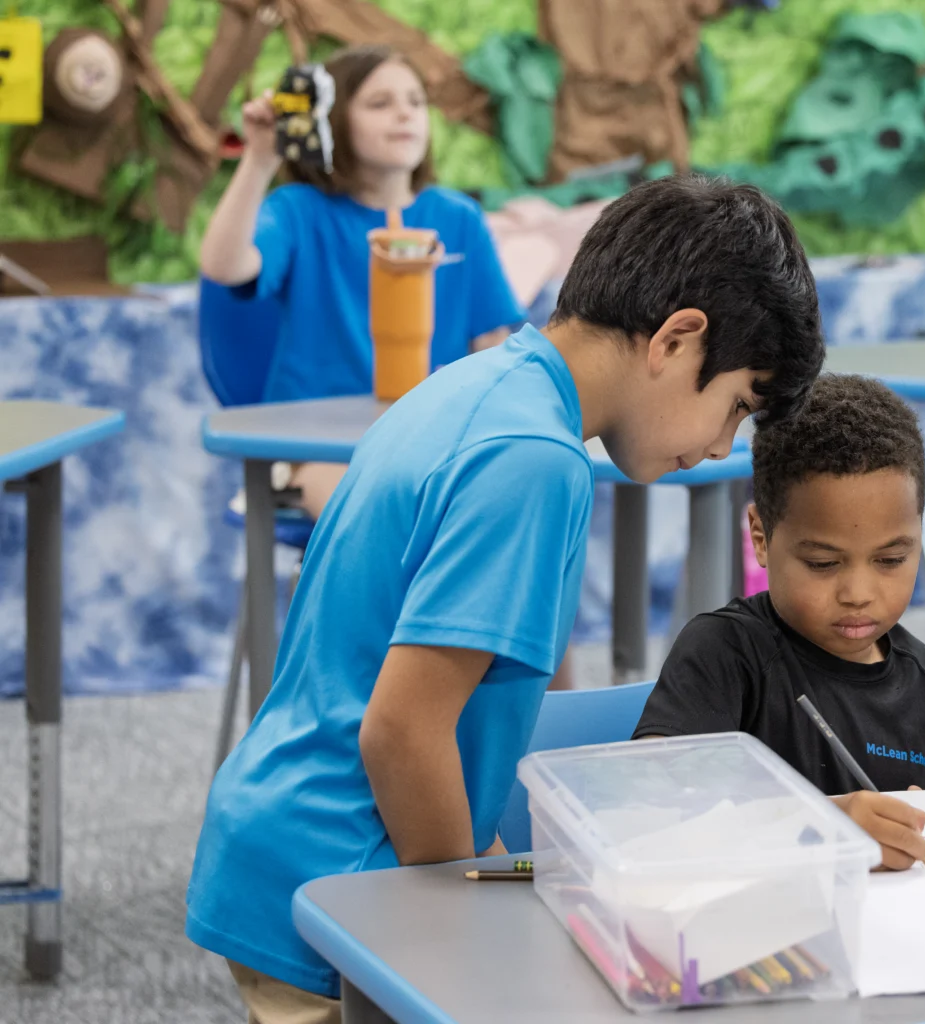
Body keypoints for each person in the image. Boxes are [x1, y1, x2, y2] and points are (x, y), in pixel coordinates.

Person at [185, 174, 825, 1024]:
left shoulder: (482, 384)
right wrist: (474, 929)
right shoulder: (534, 459)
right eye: (736, 406)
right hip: (346, 875)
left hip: (299, 840)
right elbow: (402, 733)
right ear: (676, 338)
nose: (718, 446)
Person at [634, 374, 925, 872]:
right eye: (822, 563)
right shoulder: (724, 654)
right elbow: (649, 811)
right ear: (761, 537)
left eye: (891, 560)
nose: (858, 594)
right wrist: (821, 822)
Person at [199, 45, 523, 520]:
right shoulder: (299, 211)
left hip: (430, 446)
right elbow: (224, 266)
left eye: (415, 101)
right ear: (332, 122)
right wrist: (260, 161)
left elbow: (494, 349)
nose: (404, 114)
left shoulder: (458, 219)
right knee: (381, 522)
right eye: (379, 103)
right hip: (315, 451)